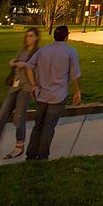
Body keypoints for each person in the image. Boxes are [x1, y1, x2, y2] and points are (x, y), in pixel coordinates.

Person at [0, 27, 40, 161]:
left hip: (26, 87)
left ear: (36, 38)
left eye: (31, 36)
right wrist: (13, 62)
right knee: (2, 115)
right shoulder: (22, 50)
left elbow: (37, 68)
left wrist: (26, 65)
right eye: (27, 36)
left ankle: (19, 145)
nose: (28, 38)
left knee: (19, 117)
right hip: (15, 86)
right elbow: (16, 61)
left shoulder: (38, 53)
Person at [23, 25, 81, 161]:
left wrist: (33, 85)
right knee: (49, 126)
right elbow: (75, 74)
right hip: (58, 95)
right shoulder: (70, 52)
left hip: (41, 94)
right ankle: (43, 155)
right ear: (67, 35)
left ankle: (31, 154)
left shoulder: (43, 50)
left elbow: (28, 66)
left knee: (38, 125)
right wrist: (77, 91)